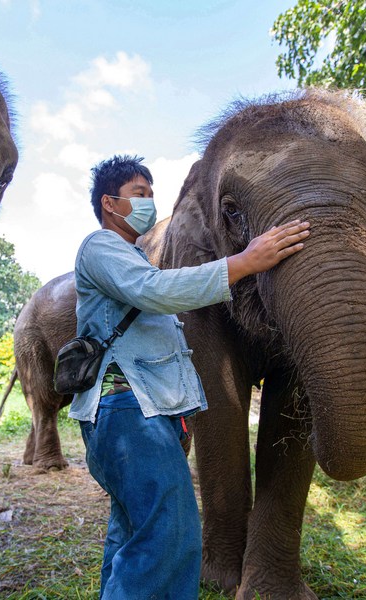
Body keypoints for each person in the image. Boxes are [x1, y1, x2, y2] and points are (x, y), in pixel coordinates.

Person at [70, 155, 310, 599]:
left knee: (132, 533)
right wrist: (245, 262)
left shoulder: (133, 256)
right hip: (126, 411)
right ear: (109, 203)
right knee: (172, 533)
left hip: (141, 410)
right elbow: (156, 292)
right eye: (139, 195)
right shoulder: (100, 247)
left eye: (151, 193)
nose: (149, 203)